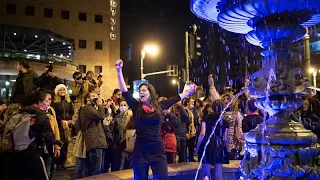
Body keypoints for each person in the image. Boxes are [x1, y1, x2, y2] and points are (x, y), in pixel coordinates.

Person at [115, 59, 196, 180]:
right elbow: (125, 91)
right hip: (140, 151)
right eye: (139, 91)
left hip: (157, 150)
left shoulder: (159, 106)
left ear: (150, 93)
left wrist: (189, 92)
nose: (141, 92)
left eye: (144, 90)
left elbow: (175, 98)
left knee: (162, 177)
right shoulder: (137, 106)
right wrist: (119, 70)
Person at [208, 74, 243, 160]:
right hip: (220, 138)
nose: (226, 100)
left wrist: (241, 138)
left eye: (228, 99)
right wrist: (212, 86)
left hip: (232, 139)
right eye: (224, 99)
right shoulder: (221, 112)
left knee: (232, 159)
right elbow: (216, 98)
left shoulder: (236, 113)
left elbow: (240, 126)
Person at [196, 99, 230, 180]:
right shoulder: (224, 120)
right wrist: (227, 149)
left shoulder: (206, 118)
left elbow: (202, 134)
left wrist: (198, 147)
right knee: (218, 174)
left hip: (207, 144)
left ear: (213, 107)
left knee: (206, 174)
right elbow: (225, 138)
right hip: (219, 145)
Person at [78, 92, 107, 176]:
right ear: (88, 99)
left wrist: (103, 106)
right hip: (95, 142)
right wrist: (100, 105)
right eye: (94, 96)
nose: (96, 98)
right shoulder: (86, 108)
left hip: (99, 142)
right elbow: (100, 116)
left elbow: (103, 116)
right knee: (96, 170)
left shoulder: (94, 108)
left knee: (100, 169)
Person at [52, 84, 74, 171]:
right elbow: (54, 113)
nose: (62, 91)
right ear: (57, 91)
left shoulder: (68, 101)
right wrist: (60, 120)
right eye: (60, 90)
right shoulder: (55, 102)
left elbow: (72, 112)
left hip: (67, 125)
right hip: (59, 125)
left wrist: (69, 121)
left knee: (66, 144)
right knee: (59, 143)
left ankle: (63, 162)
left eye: (64, 90)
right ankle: (58, 163)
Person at [184, 98, 197, 162]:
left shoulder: (191, 111)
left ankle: (191, 158)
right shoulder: (185, 110)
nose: (193, 104)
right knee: (186, 147)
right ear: (187, 103)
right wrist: (186, 131)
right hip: (187, 132)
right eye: (191, 102)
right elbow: (185, 122)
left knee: (191, 147)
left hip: (192, 131)